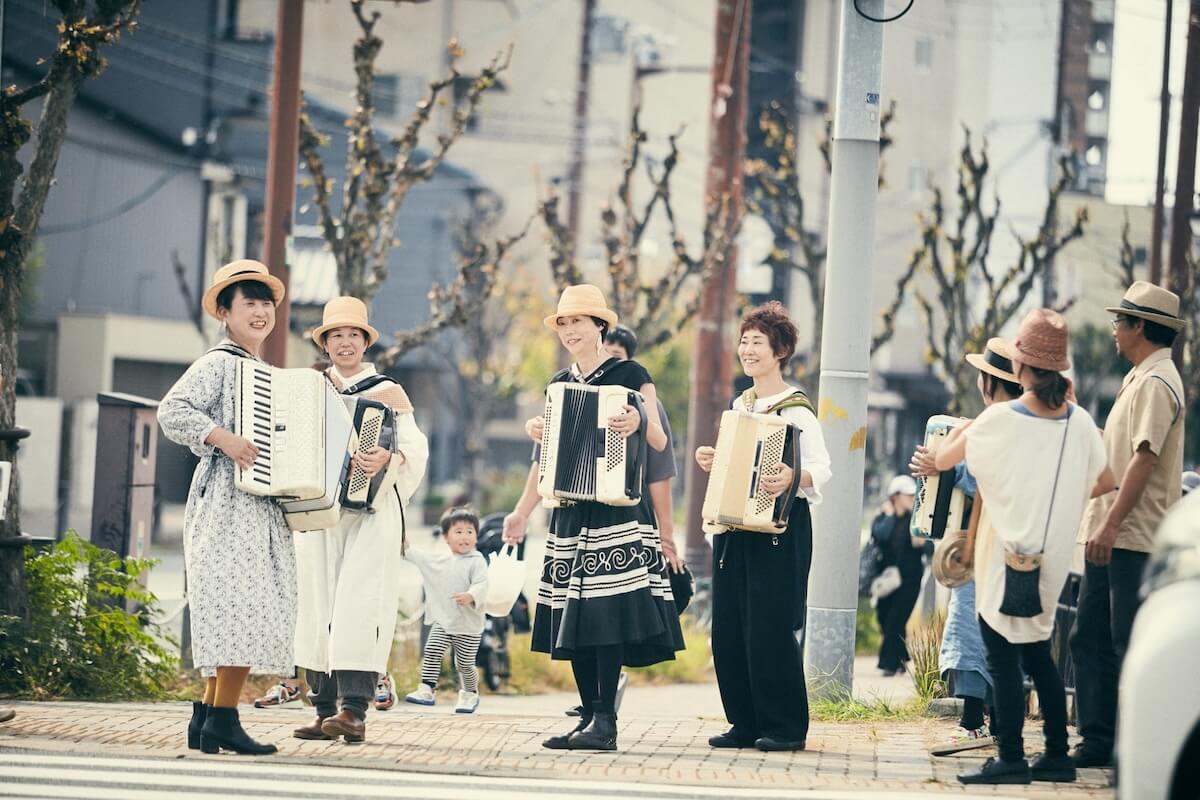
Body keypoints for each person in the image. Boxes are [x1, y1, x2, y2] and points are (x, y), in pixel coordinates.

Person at [934, 309, 1115, 785]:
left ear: (1019, 369)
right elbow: (1108, 479)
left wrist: (969, 428)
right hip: (1048, 559)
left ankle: (1011, 758)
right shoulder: (1078, 423)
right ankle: (1056, 754)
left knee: (1001, 654)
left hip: (1004, 555)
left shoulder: (999, 419)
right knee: (1037, 651)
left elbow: (944, 457)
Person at [503, 284, 684, 752]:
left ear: (600, 326)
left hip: (617, 511)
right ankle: (590, 719)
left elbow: (662, 441)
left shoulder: (631, 373)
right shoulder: (558, 385)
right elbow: (545, 456)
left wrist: (639, 421)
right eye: (563, 323)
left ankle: (605, 722)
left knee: (605, 617)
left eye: (578, 322)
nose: (569, 331)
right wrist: (535, 434)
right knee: (572, 617)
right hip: (569, 510)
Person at [158, 259, 295, 755]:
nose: (260, 312)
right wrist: (225, 439)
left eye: (266, 304)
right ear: (225, 312)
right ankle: (223, 719)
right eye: (248, 304)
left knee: (237, 607)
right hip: (227, 500)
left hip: (254, 504)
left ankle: (208, 716)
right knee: (238, 606)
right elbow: (171, 411)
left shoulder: (258, 368)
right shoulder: (219, 362)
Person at [694, 301, 832, 753]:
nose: (747, 350)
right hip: (736, 531)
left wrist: (794, 476)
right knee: (731, 628)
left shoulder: (796, 410)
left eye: (757, 343)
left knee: (769, 628)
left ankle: (786, 727)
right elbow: (736, 467)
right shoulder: (742, 404)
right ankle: (745, 722)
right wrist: (714, 461)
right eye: (744, 341)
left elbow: (821, 469)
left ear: (780, 351)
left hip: (780, 532)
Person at [292, 296, 429, 744]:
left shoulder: (386, 391)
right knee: (317, 604)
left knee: (359, 605)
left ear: (366, 342)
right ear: (326, 343)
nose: (345, 342)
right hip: (320, 509)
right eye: (337, 335)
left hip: (372, 514)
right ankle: (324, 709)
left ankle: (354, 711)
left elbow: (415, 448)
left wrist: (388, 456)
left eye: (354, 335)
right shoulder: (313, 389)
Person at [1070, 282, 1187, 769]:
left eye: (1121, 321)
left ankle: (1124, 747)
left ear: (1140, 326)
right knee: (1090, 637)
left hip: (1130, 536)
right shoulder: (1141, 377)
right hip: (1116, 531)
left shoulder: (1158, 383)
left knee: (1120, 642)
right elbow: (1118, 453)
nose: (1114, 330)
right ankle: (1101, 742)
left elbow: (1143, 460)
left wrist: (1111, 526)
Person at [912, 338, 1022, 755]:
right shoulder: (1019, 421)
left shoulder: (996, 424)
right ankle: (990, 721)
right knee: (990, 634)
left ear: (989, 383)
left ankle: (977, 722)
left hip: (989, 547)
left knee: (973, 630)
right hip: (1006, 545)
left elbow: (984, 479)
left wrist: (944, 467)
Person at [403, 506, 489, 714]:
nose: (465, 537)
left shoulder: (477, 561)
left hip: (468, 625)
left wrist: (471, 595)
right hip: (444, 620)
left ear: (476, 536)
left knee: (464, 664)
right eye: (458, 532)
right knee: (432, 650)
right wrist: (403, 544)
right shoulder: (441, 560)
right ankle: (427, 688)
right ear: (446, 537)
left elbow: (482, 584)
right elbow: (418, 556)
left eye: (470, 532)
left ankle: (469, 693)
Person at [870, 474, 924, 677]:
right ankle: (901, 658)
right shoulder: (884, 516)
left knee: (895, 619)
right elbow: (879, 535)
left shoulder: (916, 518)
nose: (911, 497)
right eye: (906, 494)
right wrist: (891, 516)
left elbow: (922, 546)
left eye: (912, 494)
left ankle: (888, 664)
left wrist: (915, 520)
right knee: (884, 618)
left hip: (909, 578)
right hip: (886, 579)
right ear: (895, 496)